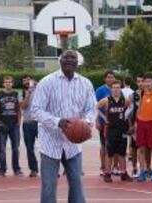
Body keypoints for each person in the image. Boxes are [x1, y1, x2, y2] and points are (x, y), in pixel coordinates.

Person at [31, 50, 96, 203]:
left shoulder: (85, 84)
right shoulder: (47, 82)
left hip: (73, 143)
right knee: (49, 185)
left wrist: (85, 124)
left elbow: (91, 109)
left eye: (72, 57)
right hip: (50, 142)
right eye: (65, 57)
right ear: (60, 61)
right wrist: (58, 122)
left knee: (76, 183)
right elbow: (36, 110)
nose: (69, 60)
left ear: (77, 62)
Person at [97, 80, 132, 183]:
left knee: (122, 152)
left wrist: (128, 121)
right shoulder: (107, 100)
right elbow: (96, 107)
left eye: (118, 87)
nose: (116, 89)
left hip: (123, 129)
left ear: (120, 88)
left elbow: (130, 109)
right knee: (110, 152)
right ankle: (107, 173)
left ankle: (123, 173)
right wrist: (103, 118)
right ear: (111, 89)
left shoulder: (125, 100)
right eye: (114, 88)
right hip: (111, 129)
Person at [0, 76, 23, 177]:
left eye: (10, 82)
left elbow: (19, 109)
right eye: (6, 82)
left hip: (14, 125)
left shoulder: (16, 94)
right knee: (2, 148)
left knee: (15, 148)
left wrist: (19, 121)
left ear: (12, 83)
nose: (8, 84)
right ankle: (2, 169)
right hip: (3, 125)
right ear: (3, 84)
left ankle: (16, 169)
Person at [136, 73, 152, 182]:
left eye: (149, 81)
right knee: (141, 149)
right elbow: (139, 109)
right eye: (146, 81)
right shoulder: (142, 93)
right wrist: (137, 123)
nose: (147, 83)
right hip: (141, 123)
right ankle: (142, 171)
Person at [95, 71, 116, 176]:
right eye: (108, 77)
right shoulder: (100, 90)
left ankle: (113, 167)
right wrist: (97, 121)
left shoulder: (117, 90)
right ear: (105, 79)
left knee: (114, 145)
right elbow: (95, 107)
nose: (110, 79)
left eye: (112, 77)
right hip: (104, 122)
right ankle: (103, 166)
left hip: (115, 123)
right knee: (104, 145)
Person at [21, 75, 39, 177]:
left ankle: (51, 168)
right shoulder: (23, 92)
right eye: (24, 80)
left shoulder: (39, 89)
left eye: (28, 79)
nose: (26, 82)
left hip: (39, 122)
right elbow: (23, 106)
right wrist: (28, 93)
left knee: (46, 146)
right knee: (29, 148)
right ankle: (33, 169)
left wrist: (35, 85)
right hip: (27, 123)